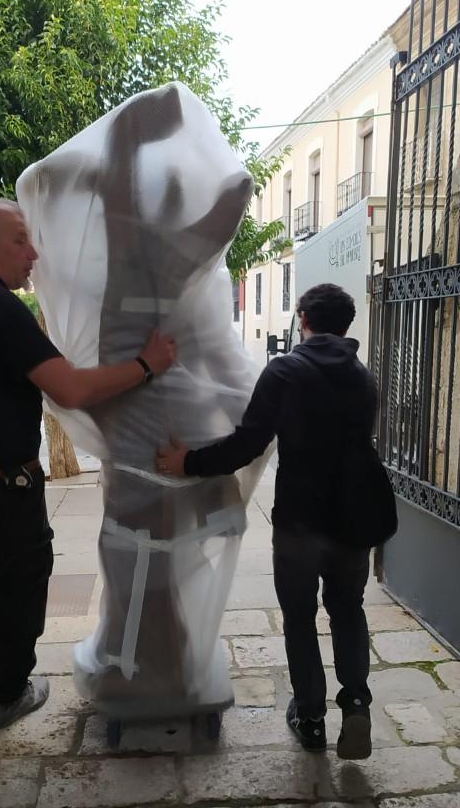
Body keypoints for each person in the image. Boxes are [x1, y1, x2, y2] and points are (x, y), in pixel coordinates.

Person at [0, 198, 177, 771]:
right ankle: (8, 695)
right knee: (20, 591)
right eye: (20, 241)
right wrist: (147, 365)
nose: (33, 254)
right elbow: (71, 389)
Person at [156, 283, 377, 760]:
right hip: (354, 520)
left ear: (303, 319)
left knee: (300, 617)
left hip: (301, 520)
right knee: (348, 609)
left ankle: (311, 717)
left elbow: (248, 442)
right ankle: (357, 703)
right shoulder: (363, 376)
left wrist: (188, 462)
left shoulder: (286, 371)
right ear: (346, 324)